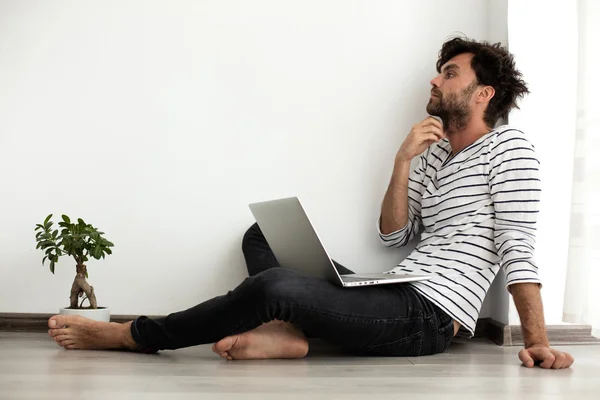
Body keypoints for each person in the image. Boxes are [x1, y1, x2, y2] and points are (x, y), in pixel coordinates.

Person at [47, 37, 574, 369]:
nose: (435, 79)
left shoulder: (510, 147)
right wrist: (402, 161)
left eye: (450, 72)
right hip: (396, 290)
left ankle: (135, 335)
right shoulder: (432, 155)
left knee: (276, 285)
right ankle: (290, 335)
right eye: (438, 70)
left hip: (429, 316)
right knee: (261, 237)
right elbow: (393, 237)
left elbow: (517, 245)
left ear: (483, 94)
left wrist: (537, 340)